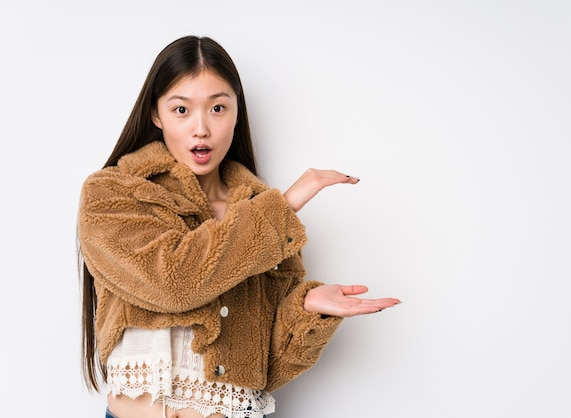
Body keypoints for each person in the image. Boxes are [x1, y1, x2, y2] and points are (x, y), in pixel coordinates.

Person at [77, 35, 400, 418]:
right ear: (155, 114)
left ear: (236, 112)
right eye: (181, 110)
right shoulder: (113, 193)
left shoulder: (261, 210)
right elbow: (173, 284)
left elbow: (265, 369)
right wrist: (286, 204)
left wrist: (306, 311)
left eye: (217, 108)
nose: (201, 128)